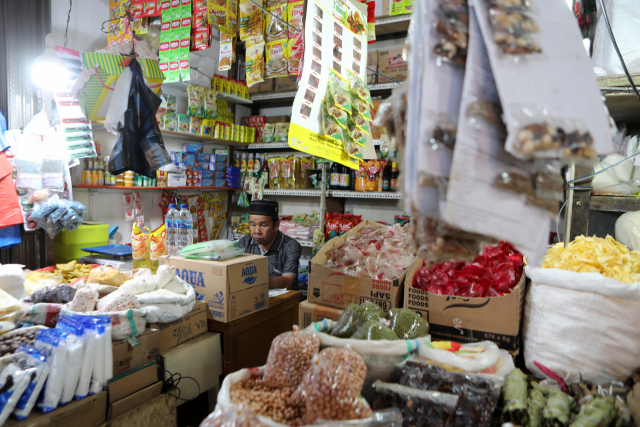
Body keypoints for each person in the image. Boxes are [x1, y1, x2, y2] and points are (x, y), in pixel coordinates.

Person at [237, 200, 302, 290]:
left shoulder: (290, 246)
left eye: (263, 225)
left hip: (283, 301)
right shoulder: (245, 243)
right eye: (252, 225)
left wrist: (256, 281)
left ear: (276, 225)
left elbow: (287, 281)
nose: (256, 231)